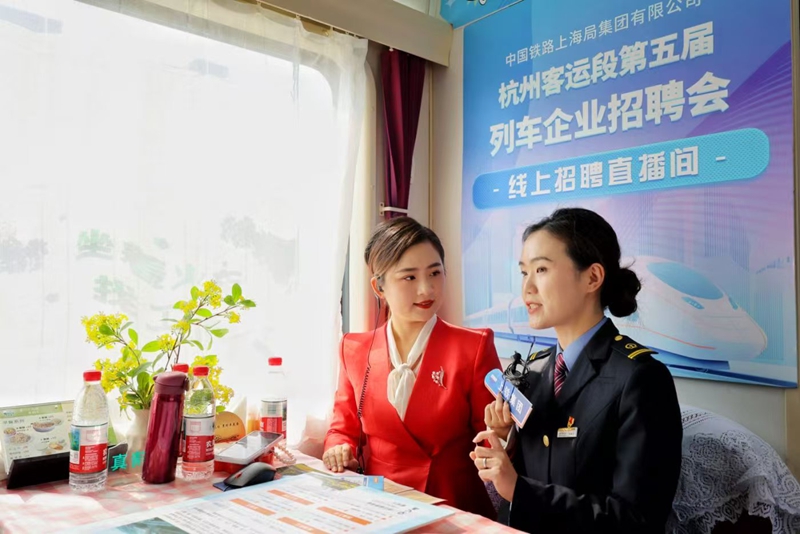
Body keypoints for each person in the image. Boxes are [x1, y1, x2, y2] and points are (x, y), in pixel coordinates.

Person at [472, 207, 682, 533]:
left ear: (592, 278)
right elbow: (540, 469)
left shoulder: (641, 379)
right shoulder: (533, 370)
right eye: (524, 272)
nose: (527, 288)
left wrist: (519, 490)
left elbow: (636, 521)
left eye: (541, 269)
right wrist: (506, 442)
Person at [324, 216, 500, 518]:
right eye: (409, 278)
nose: (426, 289)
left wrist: (504, 434)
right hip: (379, 504)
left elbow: (491, 438)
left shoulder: (473, 347)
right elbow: (343, 428)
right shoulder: (354, 349)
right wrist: (338, 448)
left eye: (435, 273)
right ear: (379, 286)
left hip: (451, 506)